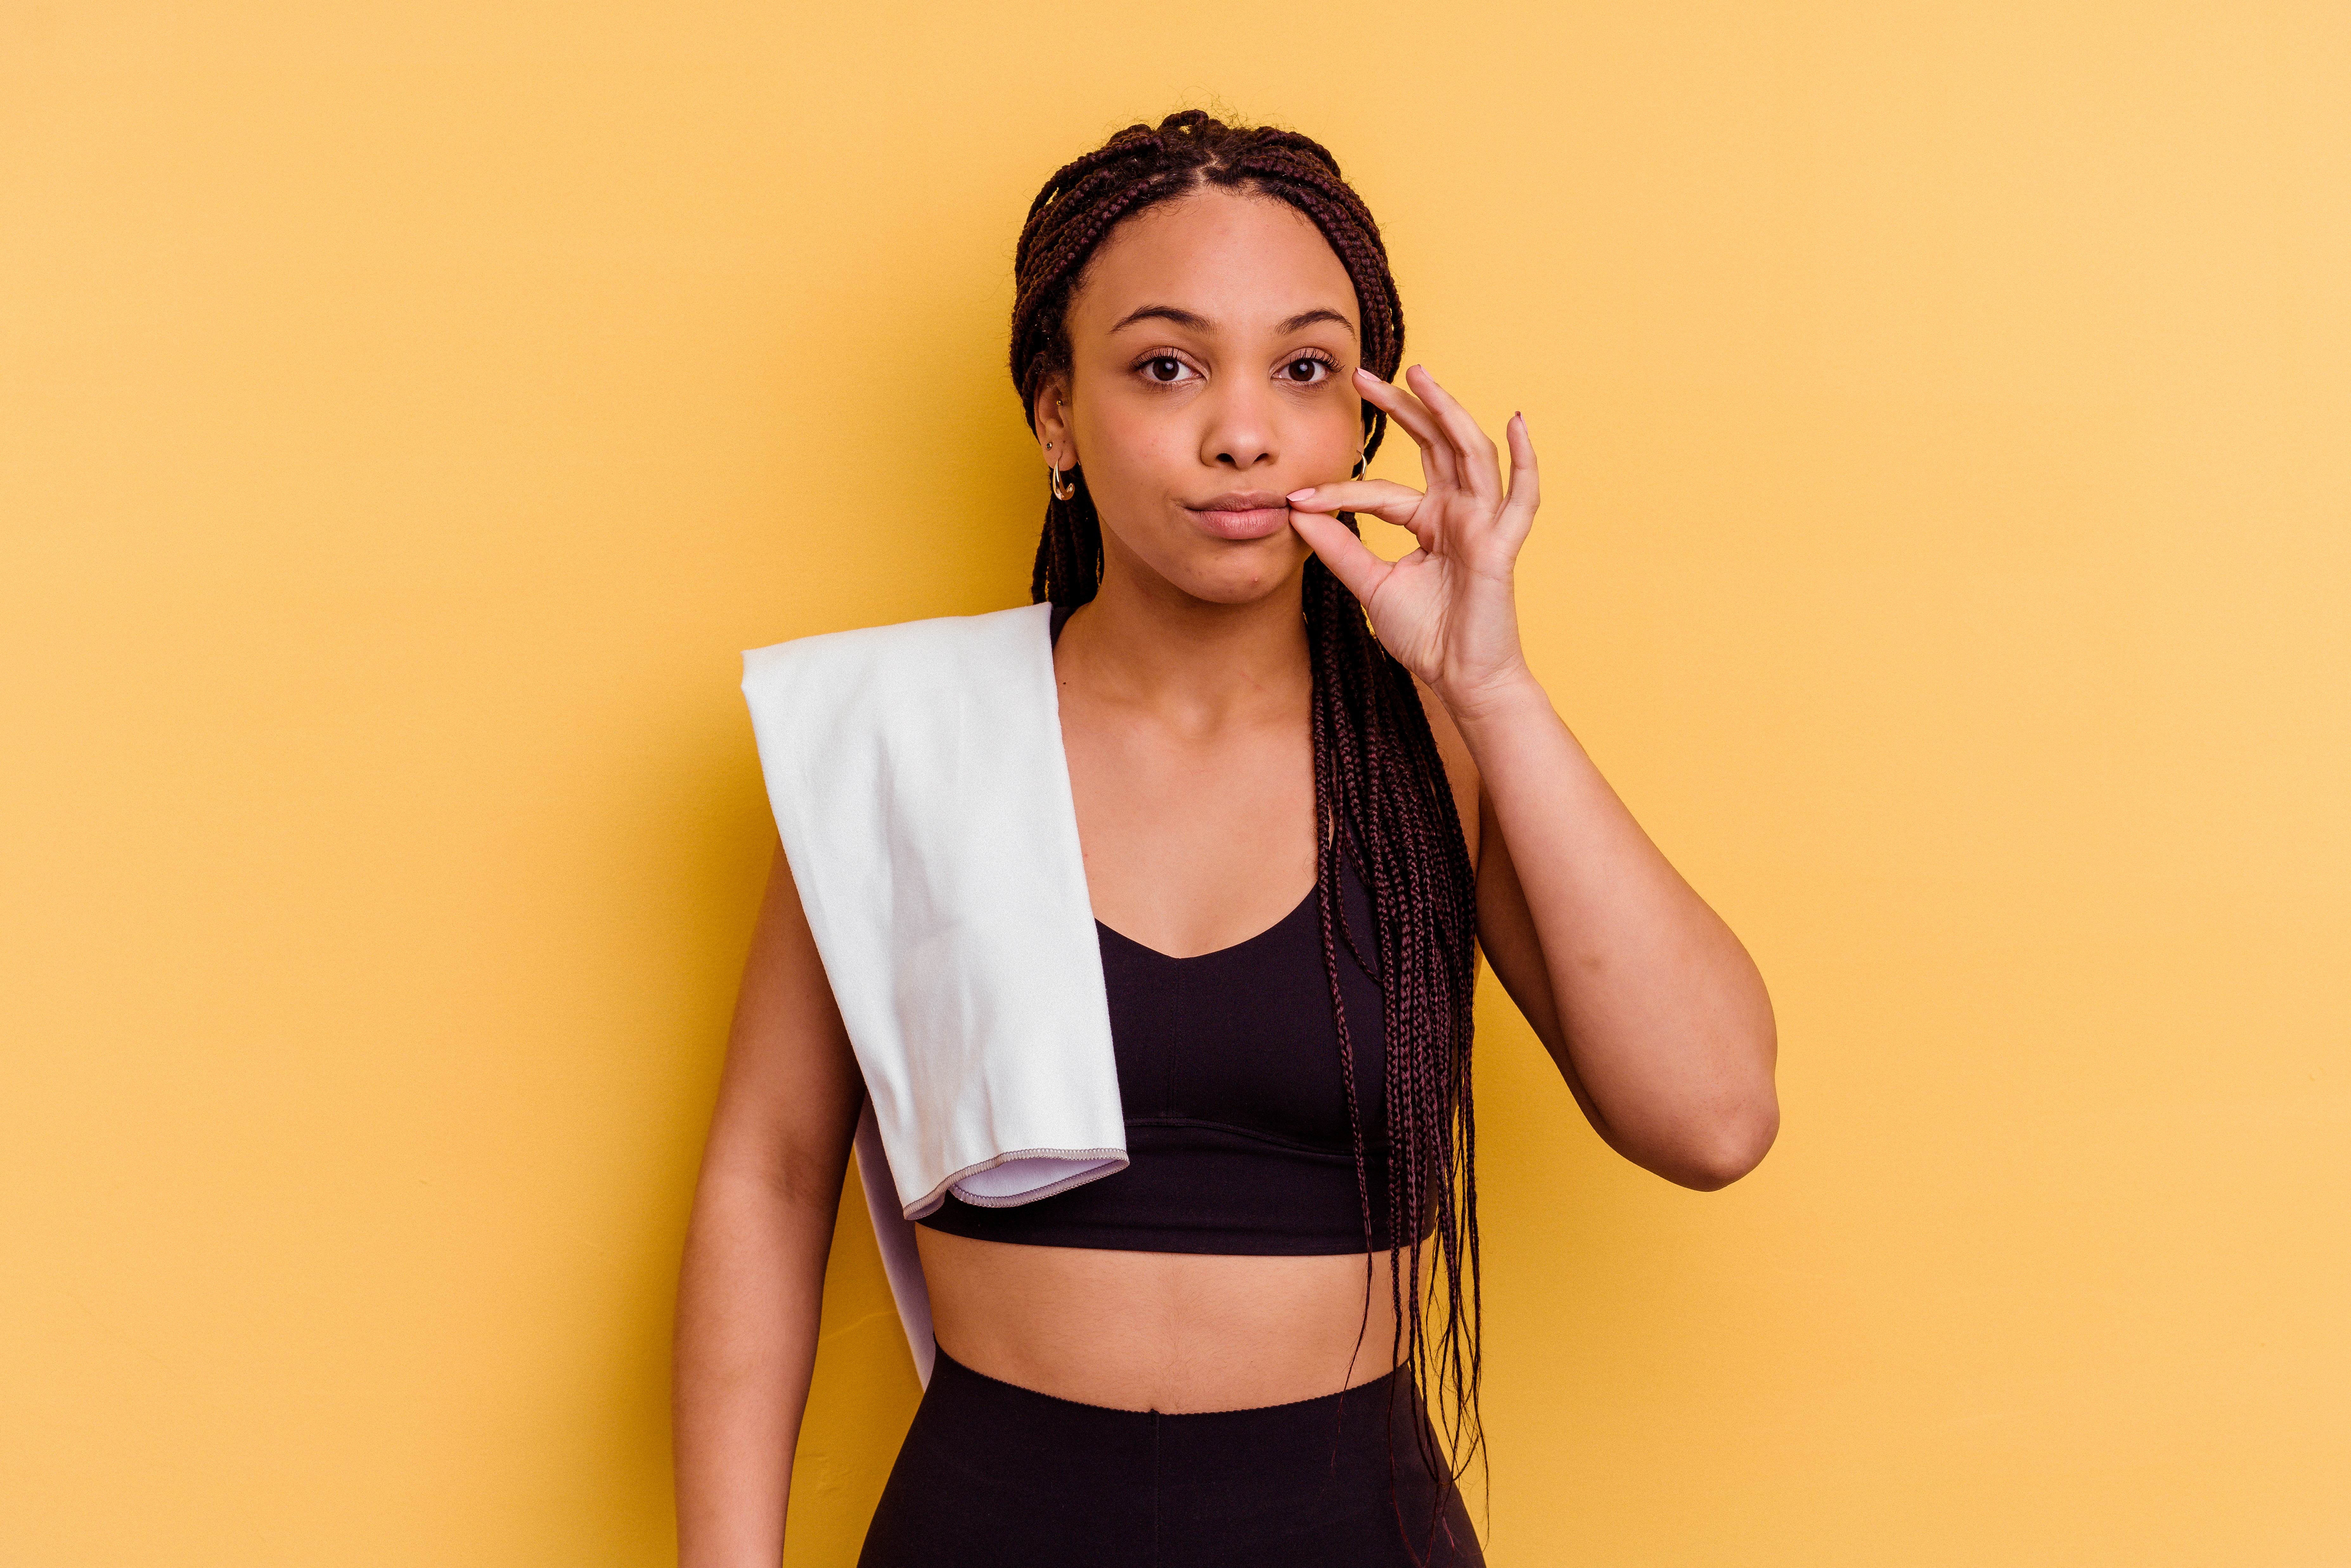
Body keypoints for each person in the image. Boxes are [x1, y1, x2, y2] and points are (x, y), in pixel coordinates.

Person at [672, 110, 1779, 1568]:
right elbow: (766, 1172)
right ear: (1056, 416)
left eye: (1304, 367)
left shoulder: (1433, 747)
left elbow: (1711, 1121)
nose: (1242, 427)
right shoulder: (904, 740)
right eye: (1165, 365)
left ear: (1360, 422)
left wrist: (1491, 688)